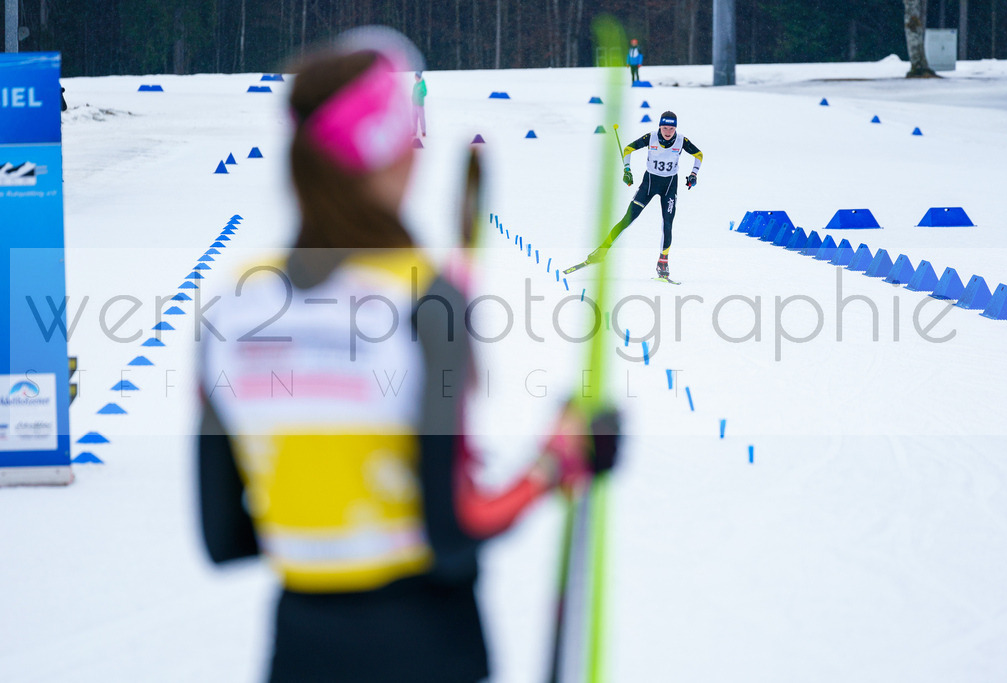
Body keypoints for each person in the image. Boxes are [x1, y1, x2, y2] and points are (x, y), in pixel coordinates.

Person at [196, 28, 619, 683]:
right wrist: (557, 459)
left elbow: (225, 535)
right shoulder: (424, 303)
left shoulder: (232, 309)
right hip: (427, 644)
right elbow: (455, 528)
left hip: (301, 647)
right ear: (395, 155)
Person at [571, 111, 702, 281]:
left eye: (671, 128)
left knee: (668, 224)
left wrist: (694, 174)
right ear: (659, 127)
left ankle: (663, 262)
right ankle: (600, 252)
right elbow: (628, 149)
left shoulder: (681, 140)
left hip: (670, 186)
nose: (668, 132)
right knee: (627, 219)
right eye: (664, 128)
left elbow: (698, 155)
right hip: (649, 184)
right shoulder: (651, 137)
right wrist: (627, 170)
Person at [412, 70, 427, 136]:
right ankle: (414, 131)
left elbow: (425, 92)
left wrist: (420, 97)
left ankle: (423, 131)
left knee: (421, 119)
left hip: (420, 105)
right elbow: (414, 93)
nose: (415, 77)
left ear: (418, 77)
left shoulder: (422, 84)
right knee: (414, 119)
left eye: (415, 76)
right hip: (414, 105)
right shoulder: (415, 84)